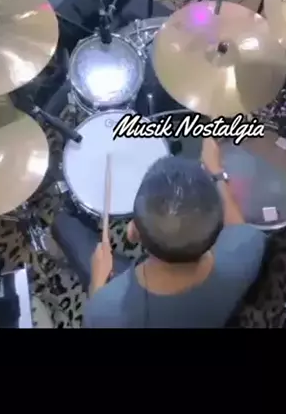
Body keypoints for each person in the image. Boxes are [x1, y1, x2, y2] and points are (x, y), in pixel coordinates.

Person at [83, 138, 268, 328]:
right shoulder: (248, 247)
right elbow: (239, 229)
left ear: (133, 232)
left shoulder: (108, 308)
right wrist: (217, 172)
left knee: (71, 232)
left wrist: (97, 281)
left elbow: (94, 319)